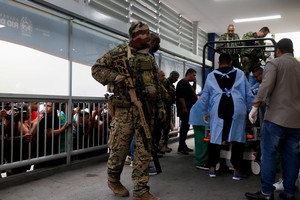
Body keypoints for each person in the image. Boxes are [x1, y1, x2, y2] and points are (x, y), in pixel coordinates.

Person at [91, 21, 165, 200]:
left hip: (146, 110)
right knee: (119, 148)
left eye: (149, 32)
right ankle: (113, 180)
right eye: (145, 33)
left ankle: (140, 190)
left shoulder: (149, 57)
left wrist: (160, 106)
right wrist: (117, 77)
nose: (149, 36)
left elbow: (156, 82)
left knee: (144, 150)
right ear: (135, 36)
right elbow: (97, 69)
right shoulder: (119, 52)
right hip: (125, 110)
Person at [245, 38, 300, 200]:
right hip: (296, 122)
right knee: (291, 156)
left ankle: (267, 193)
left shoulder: (274, 63)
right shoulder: (299, 66)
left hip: (276, 118)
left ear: (277, 51)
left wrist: (254, 108)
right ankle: (289, 192)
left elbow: (265, 86)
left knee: (268, 154)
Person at [199, 53, 254, 180]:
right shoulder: (239, 73)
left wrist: (205, 112)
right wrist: (252, 110)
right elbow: (248, 94)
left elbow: (205, 96)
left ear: (219, 62)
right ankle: (236, 171)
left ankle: (212, 168)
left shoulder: (211, 75)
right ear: (231, 62)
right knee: (237, 139)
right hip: (237, 108)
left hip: (217, 108)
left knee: (215, 138)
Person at [176, 68, 197, 155]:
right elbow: (181, 97)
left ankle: (183, 145)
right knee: (184, 127)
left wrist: (195, 83)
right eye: (194, 75)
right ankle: (181, 146)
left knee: (186, 127)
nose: (195, 77)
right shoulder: (183, 83)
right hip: (185, 109)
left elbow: (193, 92)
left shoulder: (187, 84)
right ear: (189, 74)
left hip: (189, 109)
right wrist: (184, 107)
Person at [159, 70, 179, 153]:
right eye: (175, 77)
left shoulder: (170, 84)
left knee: (167, 128)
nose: (176, 79)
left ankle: (164, 145)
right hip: (164, 107)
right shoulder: (165, 83)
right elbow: (164, 96)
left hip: (168, 106)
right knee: (164, 127)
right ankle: (161, 145)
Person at [189, 92, 209, 170]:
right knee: (203, 140)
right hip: (201, 118)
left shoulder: (208, 89)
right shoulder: (215, 90)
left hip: (198, 116)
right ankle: (201, 162)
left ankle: (201, 160)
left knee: (200, 140)